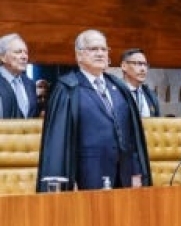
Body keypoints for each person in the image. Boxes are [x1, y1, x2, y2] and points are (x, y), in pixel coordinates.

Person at [37, 30, 150, 191]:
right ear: (79, 55)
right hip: (86, 178)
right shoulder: (68, 89)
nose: (100, 53)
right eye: (93, 49)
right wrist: (69, 181)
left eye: (104, 49)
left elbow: (131, 135)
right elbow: (59, 143)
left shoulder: (118, 87)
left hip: (123, 178)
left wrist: (136, 171)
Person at [0, 33, 40, 119]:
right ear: (2, 57)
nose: (24, 57)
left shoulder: (30, 84)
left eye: (26, 53)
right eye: (18, 52)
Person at [119, 48, 161, 118]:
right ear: (124, 66)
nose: (143, 69)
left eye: (145, 64)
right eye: (138, 64)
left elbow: (157, 121)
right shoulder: (115, 93)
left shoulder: (150, 95)